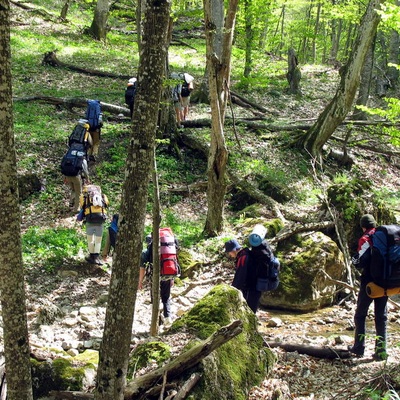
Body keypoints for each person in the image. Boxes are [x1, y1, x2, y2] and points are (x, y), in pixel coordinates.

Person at [349, 214, 388, 361]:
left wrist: (353, 259)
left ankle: (359, 348)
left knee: (360, 315)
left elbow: (360, 260)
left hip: (370, 284)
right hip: (386, 281)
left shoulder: (366, 238)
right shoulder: (384, 237)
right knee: (381, 316)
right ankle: (381, 351)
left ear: (363, 226)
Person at [139, 231, 180, 326]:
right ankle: (167, 317)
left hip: (155, 276)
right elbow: (173, 261)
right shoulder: (169, 247)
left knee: (155, 298)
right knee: (166, 297)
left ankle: (157, 320)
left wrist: (140, 281)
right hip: (167, 274)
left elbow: (142, 267)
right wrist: (172, 278)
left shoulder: (147, 251)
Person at [224, 239, 261, 313]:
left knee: (249, 311)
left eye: (229, 252)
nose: (230, 255)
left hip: (250, 289)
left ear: (233, 250)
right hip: (256, 287)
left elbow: (240, 276)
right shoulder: (246, 253)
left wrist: (232, 290)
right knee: (251, 311)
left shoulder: (243, 257)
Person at [78, 184, 109, 266]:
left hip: (89, 219)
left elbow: (82, 206)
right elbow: (106, 204)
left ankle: (91, 257)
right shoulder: (103, 196)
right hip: (100, 220)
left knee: (90, 239)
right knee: (98, 240)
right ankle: (96, 257)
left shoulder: (84, 197)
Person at [61, 143, 90, 213]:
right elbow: (85, 171)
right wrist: (87, 179)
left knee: (73, 190)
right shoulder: (82, 159)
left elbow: (64, 166)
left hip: (67, 176)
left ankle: (71, 202)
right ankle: (76, 209)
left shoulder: (69, 156)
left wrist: (64, 177)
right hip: (76, 177)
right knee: (78, 192)